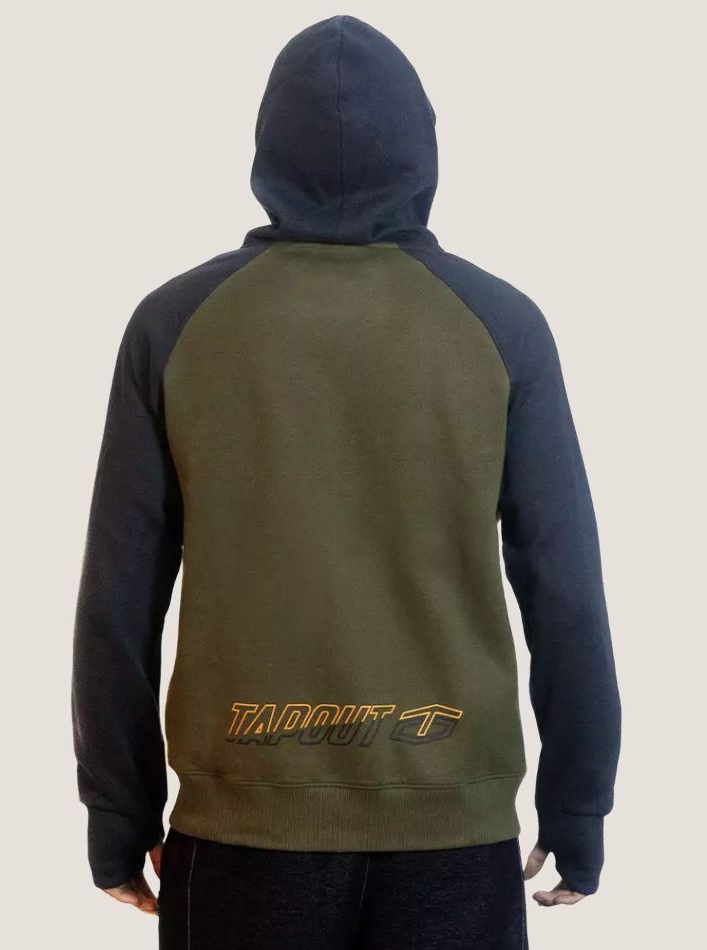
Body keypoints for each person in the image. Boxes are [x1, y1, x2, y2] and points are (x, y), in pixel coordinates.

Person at [71, 15, 621, 949]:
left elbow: (119, 597)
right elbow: (563, 583)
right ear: (423, 149)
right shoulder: (501, 326)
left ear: (266, 146)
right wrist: (578, 802)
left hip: (242, 834)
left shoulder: (175, 324)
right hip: (451, 837)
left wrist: (117, 811)